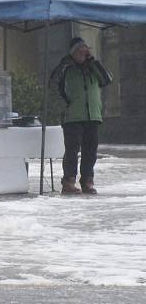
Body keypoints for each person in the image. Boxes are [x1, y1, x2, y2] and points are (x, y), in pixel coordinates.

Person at [50, 37, 113, 195]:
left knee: (90, 151)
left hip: (92, 116)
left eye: (85, 49)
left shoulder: (92, 67)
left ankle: (87, 181)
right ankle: (68, 181)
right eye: (80, 50)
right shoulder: (64, 67)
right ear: (73, 52)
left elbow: (106, 79)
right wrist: (65, 106)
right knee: (72, 150)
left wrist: (94, 62)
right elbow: (52, 87)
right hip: (72, 116)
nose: (84, 52)